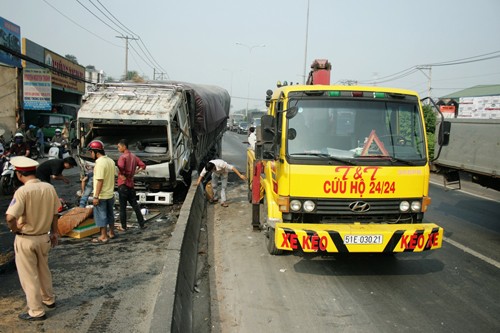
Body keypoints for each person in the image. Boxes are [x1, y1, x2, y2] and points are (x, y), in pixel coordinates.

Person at [5, 156, 61, 321]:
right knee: (44, 270)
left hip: (26, 238)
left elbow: (9, 217)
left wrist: (14, 229)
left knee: (29, 276)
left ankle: (36, 311)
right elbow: (55, 212)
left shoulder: (22, 191)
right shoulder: (49, 187)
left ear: (18, 174)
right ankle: (49, 299)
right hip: (44, 237)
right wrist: (55, 232)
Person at [88, 140, 116, 243]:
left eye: (91, 152)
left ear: (96, 152)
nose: (91, 154)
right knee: (110, 214)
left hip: (102, 195)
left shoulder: (99, 163)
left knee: (101, 216)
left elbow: (100, 180)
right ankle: (111, 233)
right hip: (110, 194)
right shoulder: (110, 161)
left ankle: (103, 236)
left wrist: (96, 196)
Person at [117, 139, 147, 230]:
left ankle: (123, 226)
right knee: (135, 206)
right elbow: (143, 165)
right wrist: (136, 171)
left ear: (124, 147)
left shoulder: (122, 157)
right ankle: (142, 224)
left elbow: (120, 168)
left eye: (119, 147)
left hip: (123, 184)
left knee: (122, 208)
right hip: (131, 184)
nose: (118, 148)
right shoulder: (134, 157)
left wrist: (122, 175)